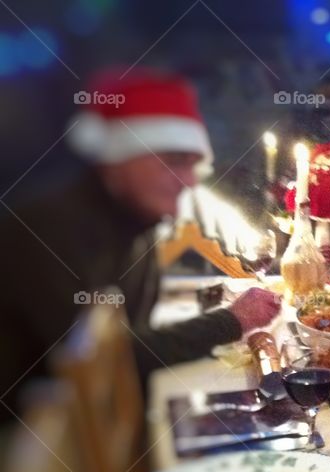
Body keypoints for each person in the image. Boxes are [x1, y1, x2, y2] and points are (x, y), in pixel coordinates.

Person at [0, 71, 281, 420]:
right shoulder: (47, 227)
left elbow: (129, 344)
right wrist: (232, 320)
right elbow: (111, 364)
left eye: (193, 165)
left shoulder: (137, 222)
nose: (190, 182)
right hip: (26, 444)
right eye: (174, 161)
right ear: (117, 157)